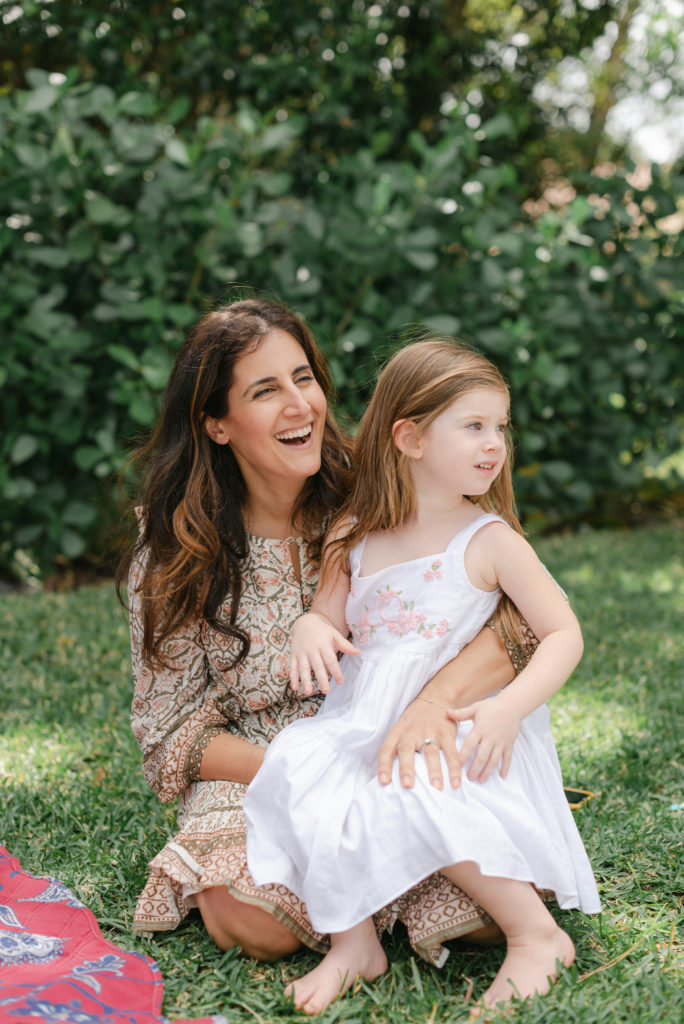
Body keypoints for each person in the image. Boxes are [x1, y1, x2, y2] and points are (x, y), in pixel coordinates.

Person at [116, 298, 537, 966]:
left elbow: (517, 620)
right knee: (255, 923)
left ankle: (389, 884)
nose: (299, 405)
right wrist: (310, 777)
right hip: (260, 770)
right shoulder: (174, 551)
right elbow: (171, 735)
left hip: (401, 752)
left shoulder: (383, 493)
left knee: (496, 909)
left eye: (303, 378)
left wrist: (426, 710)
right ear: (218, 425)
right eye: (264, 390)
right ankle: (362, 899)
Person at [244, 340, 601, 1014]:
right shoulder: (355, 533)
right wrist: (310, 627)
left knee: (413, 791)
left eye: (500, 426)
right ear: (409, 436)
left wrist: (507, 709)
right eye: (473, 426)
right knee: (303, 773)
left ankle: (536, 935)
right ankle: (354, 944)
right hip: (363, 721)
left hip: (465, 732)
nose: (494, 443)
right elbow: (326, 611)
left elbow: (563, 634)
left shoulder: (489, 540)